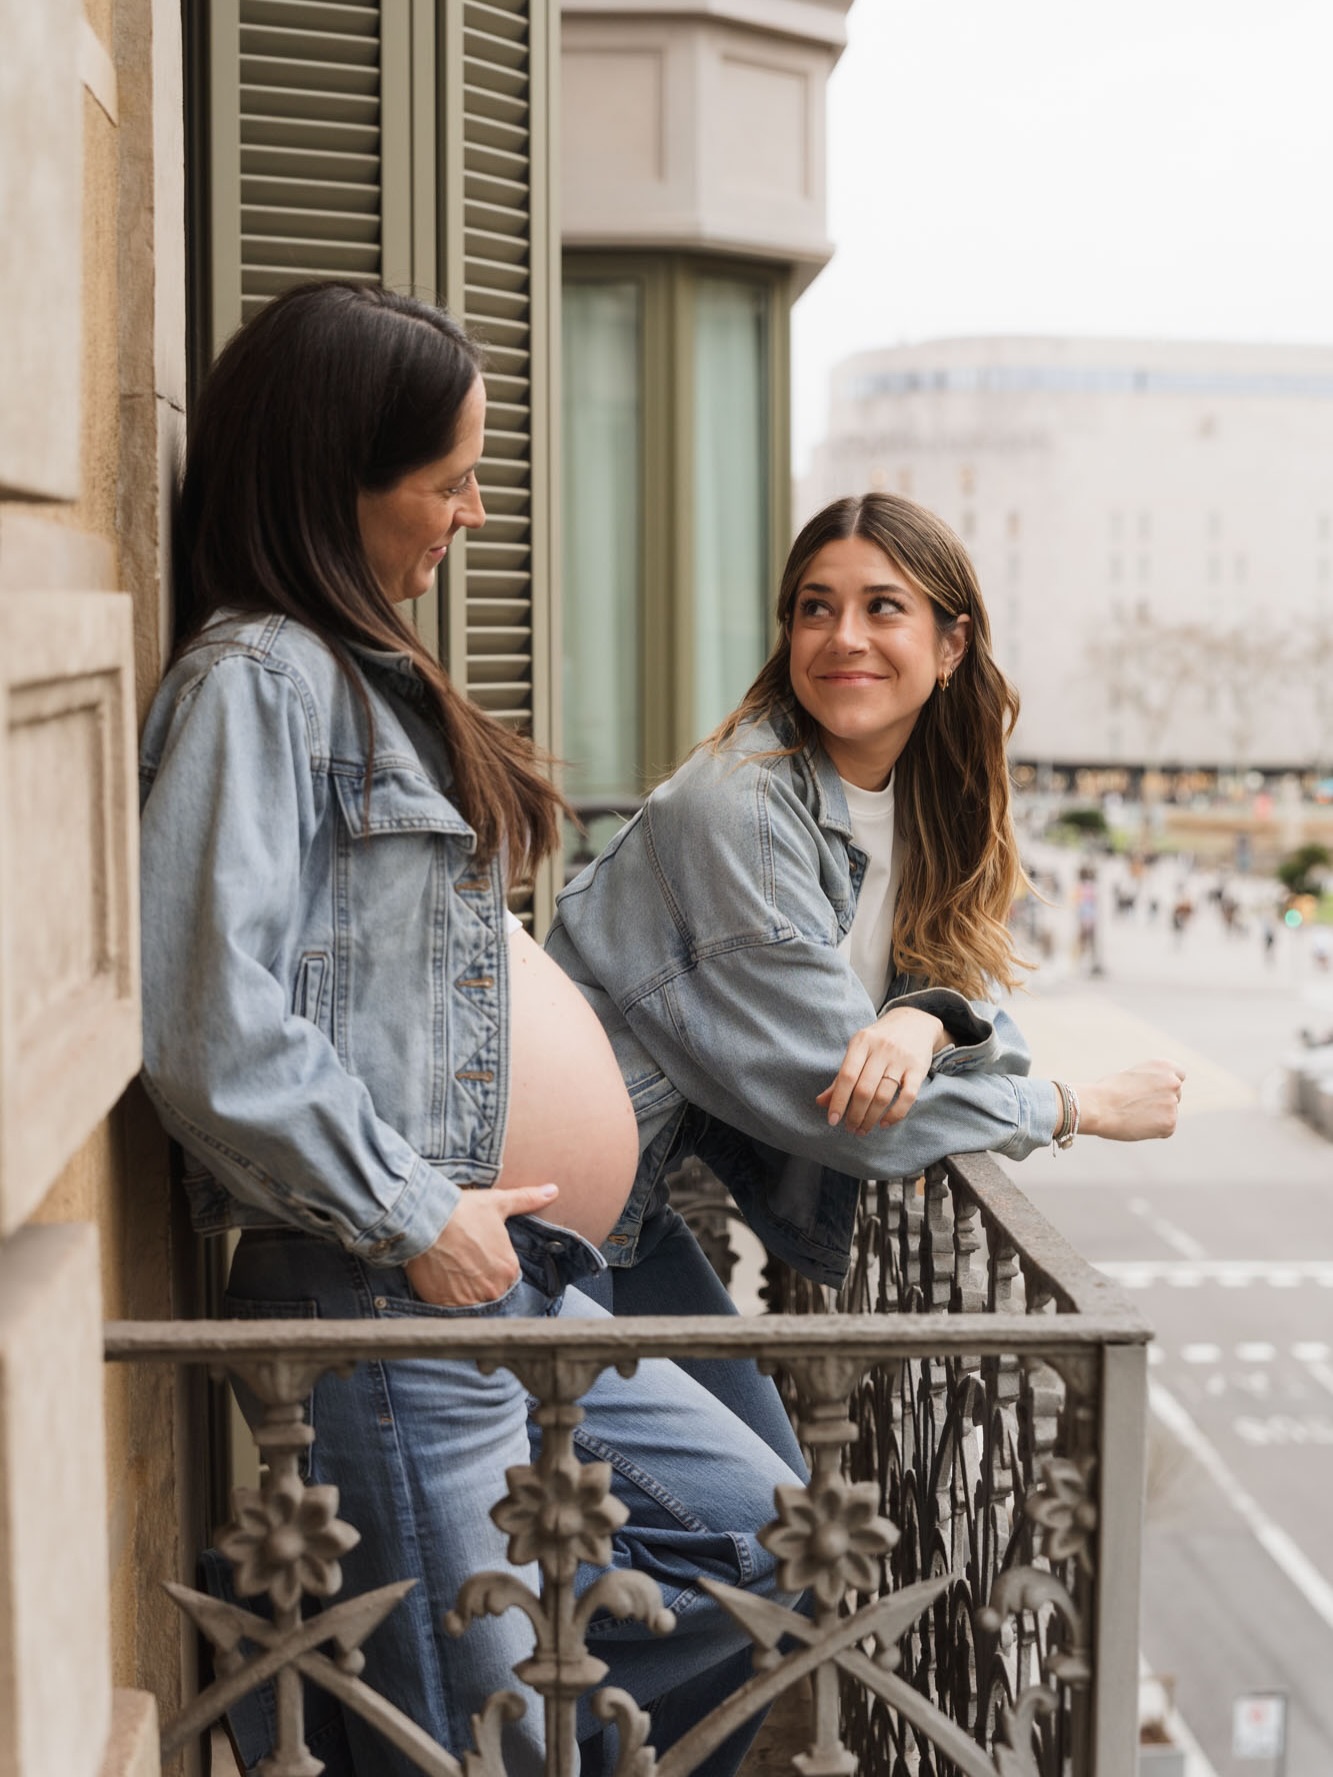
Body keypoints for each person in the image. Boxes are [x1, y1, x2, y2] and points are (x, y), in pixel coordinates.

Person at [137, 280, 804, 1777]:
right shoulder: (255, 684)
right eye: (448, 482)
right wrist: (411, 1207)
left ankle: (329, 1675)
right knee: (483, 1744)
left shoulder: (345, 680)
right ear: (335, 484)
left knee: (782, 1558)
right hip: (392, 1290)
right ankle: (360, 1683)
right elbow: (205, 1023)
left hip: (498, 1285)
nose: (476, 513)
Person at [547, 493, 1184, 1351]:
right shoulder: (737, 810)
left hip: (615, 1219)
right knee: (754, 1491)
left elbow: (964, 1021)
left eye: (882, 606)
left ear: (950, 644)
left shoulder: (927, 807)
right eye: (816, 608)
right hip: (529, 1233)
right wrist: (1082, 1106)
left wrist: (922, 1019)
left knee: (775, 1478)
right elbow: (852, 1109)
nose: (843, 635)